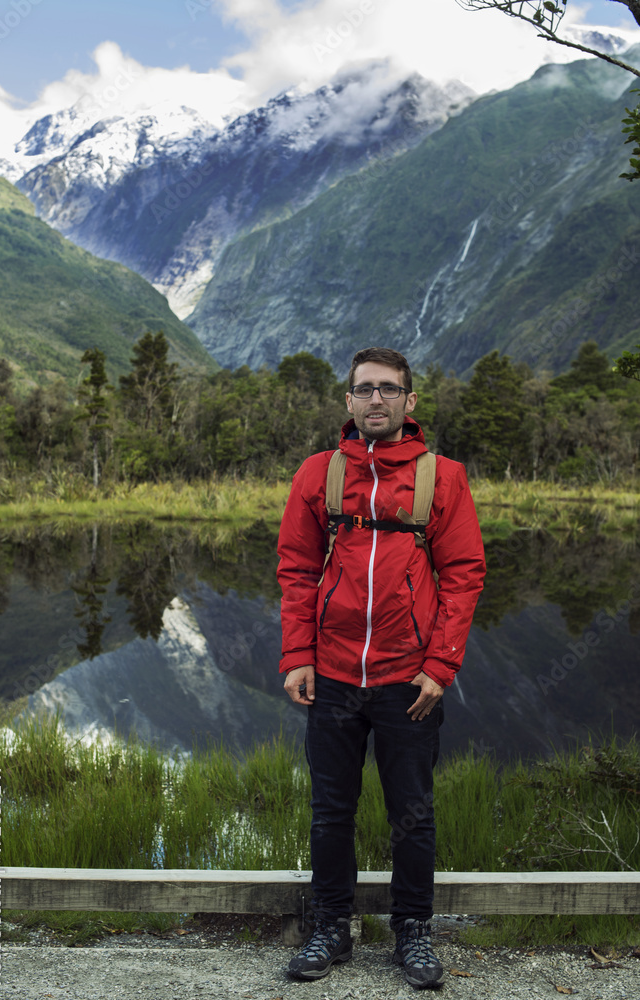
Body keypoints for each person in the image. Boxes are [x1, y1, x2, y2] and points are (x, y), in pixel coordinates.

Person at [276, 346, 486, 989]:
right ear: (348, 401)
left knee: (413, 813)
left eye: (388, 390)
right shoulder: (320, 473)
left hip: (408, 683)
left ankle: (413, 933)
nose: (376, 400)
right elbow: (296, 569)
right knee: (330, 811)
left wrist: (440, 667)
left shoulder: (440, 477)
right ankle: (330, 928)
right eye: (364, 389)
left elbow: (463, 573)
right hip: (334, 676)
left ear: (409, 401)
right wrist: (297, 656)